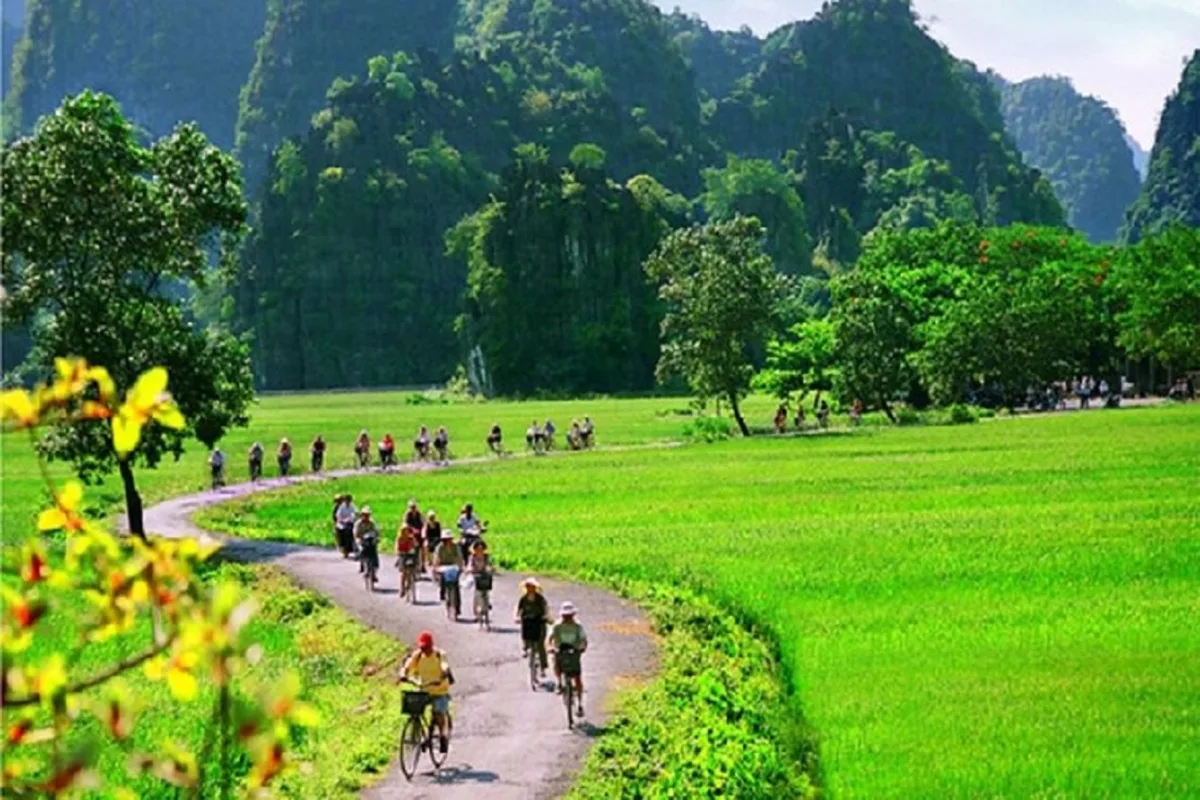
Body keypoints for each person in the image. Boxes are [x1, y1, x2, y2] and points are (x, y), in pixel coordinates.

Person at [401, 631, 453, 753]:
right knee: (414, 709)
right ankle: (419, 732)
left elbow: (444, 665)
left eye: (427, 648)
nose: (425, 651)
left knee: (439, 712)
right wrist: (403, 674)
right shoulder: (417, 656)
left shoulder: (439, 655)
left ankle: (442, 736)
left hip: (440, 690)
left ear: (431, 646)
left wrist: (444, 673)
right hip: (424, 690)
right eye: (422, 648)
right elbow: (407, 667)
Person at [549, 601, 588, 717]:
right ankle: (559, 682)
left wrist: (583, 647)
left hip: (574, 651)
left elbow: (584, 639)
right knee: (556, 662)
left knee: (577, 677)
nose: (567, 618)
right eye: (565, 616)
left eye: (569, 615)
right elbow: (550, 639)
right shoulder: (557, 626)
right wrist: (550, 647)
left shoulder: (578, 627)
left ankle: (580, 704)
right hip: (560, 650)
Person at [515, 577, 550, 679]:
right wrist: (517, 617)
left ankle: (543, 667)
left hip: (539, 623)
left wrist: (546, 617)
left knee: (540, 645)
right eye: (528, 586)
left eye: (531, 586)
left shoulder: (540, 599)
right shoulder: (523, 599)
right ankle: (525, 647)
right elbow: (518, 610)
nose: (530, 588)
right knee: (525, 635)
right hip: (528, 622)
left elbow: (546, 610)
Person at [432, 530, 463, 616]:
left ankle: (457, 607)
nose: (448, 541)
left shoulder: (456, 547)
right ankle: (443, 594)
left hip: (453, 566)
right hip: (443, 566)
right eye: (446, 539)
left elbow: (460, 558)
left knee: (456, 587)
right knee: (443, 580)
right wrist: (435, 567)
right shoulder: (439, 547)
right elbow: (436, 558)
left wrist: (461, 568)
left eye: (449, 539)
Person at [468, 540, 493, 621]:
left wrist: (489, 569)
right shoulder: (472, 557)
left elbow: (490, 565)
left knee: (487, 591)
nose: (480, 550)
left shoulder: (486, 556)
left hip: (484, 575)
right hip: (476, 575)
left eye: (481, 549)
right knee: (477, 594)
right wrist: (470, 569)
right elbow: (470, 565)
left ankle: (487, 605)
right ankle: (476, 614)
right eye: (478, 549)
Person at [395, 519, 421, 599]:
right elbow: (397, 548)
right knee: (404, 572)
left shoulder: (411, 538)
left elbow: (416, 545)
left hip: (410, 555)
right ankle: (402, 588)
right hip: (403, 555)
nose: (405, 531)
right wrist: (400, 552)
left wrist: (415, 545)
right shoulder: (399, 539)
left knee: (415, 563)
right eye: (404, 530)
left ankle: (415, 573)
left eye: (406, 530)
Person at [356, 506, 381, 585]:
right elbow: (356, 534)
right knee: (361, 551)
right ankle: (362, 565)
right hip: (362, 541)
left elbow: (376, 532)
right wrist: (359, 540)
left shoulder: (372, 523)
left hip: (371, 541)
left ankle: (374, 573)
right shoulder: (358, 524)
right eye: (364, 515)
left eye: (367, 515)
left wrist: (377, 538)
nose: (366, 517)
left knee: (375, 555)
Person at [334, 494, 358, 558]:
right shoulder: (342, 507)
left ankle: (352, 548)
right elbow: (338, 515)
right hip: (342, 523)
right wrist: (343, 520)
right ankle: (344, 548)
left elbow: (355, 513)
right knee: (341, 532)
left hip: (350, 523)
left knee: (351, 531)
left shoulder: (353, 506)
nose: (348, 502)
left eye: (349, 500)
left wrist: (352, 518)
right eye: (347, 500)